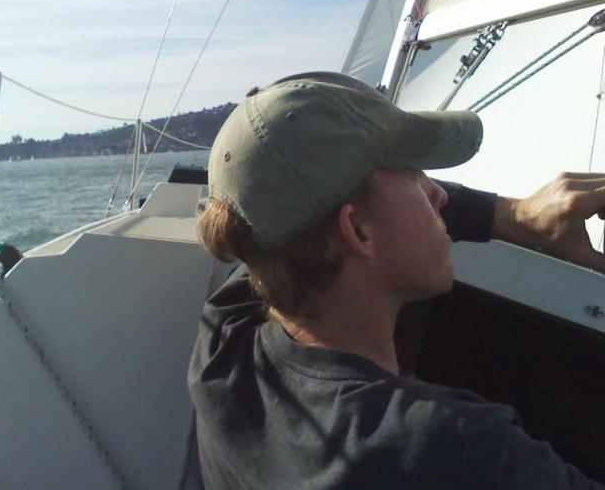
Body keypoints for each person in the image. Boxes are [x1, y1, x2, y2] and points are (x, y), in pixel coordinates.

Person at [188, 72, 605, 489]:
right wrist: (512, 215)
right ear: (358, 232)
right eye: (416, 176)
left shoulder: (222, 350)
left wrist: (520, 217)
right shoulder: (450, 450)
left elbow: (281, 213)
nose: (439, 195)